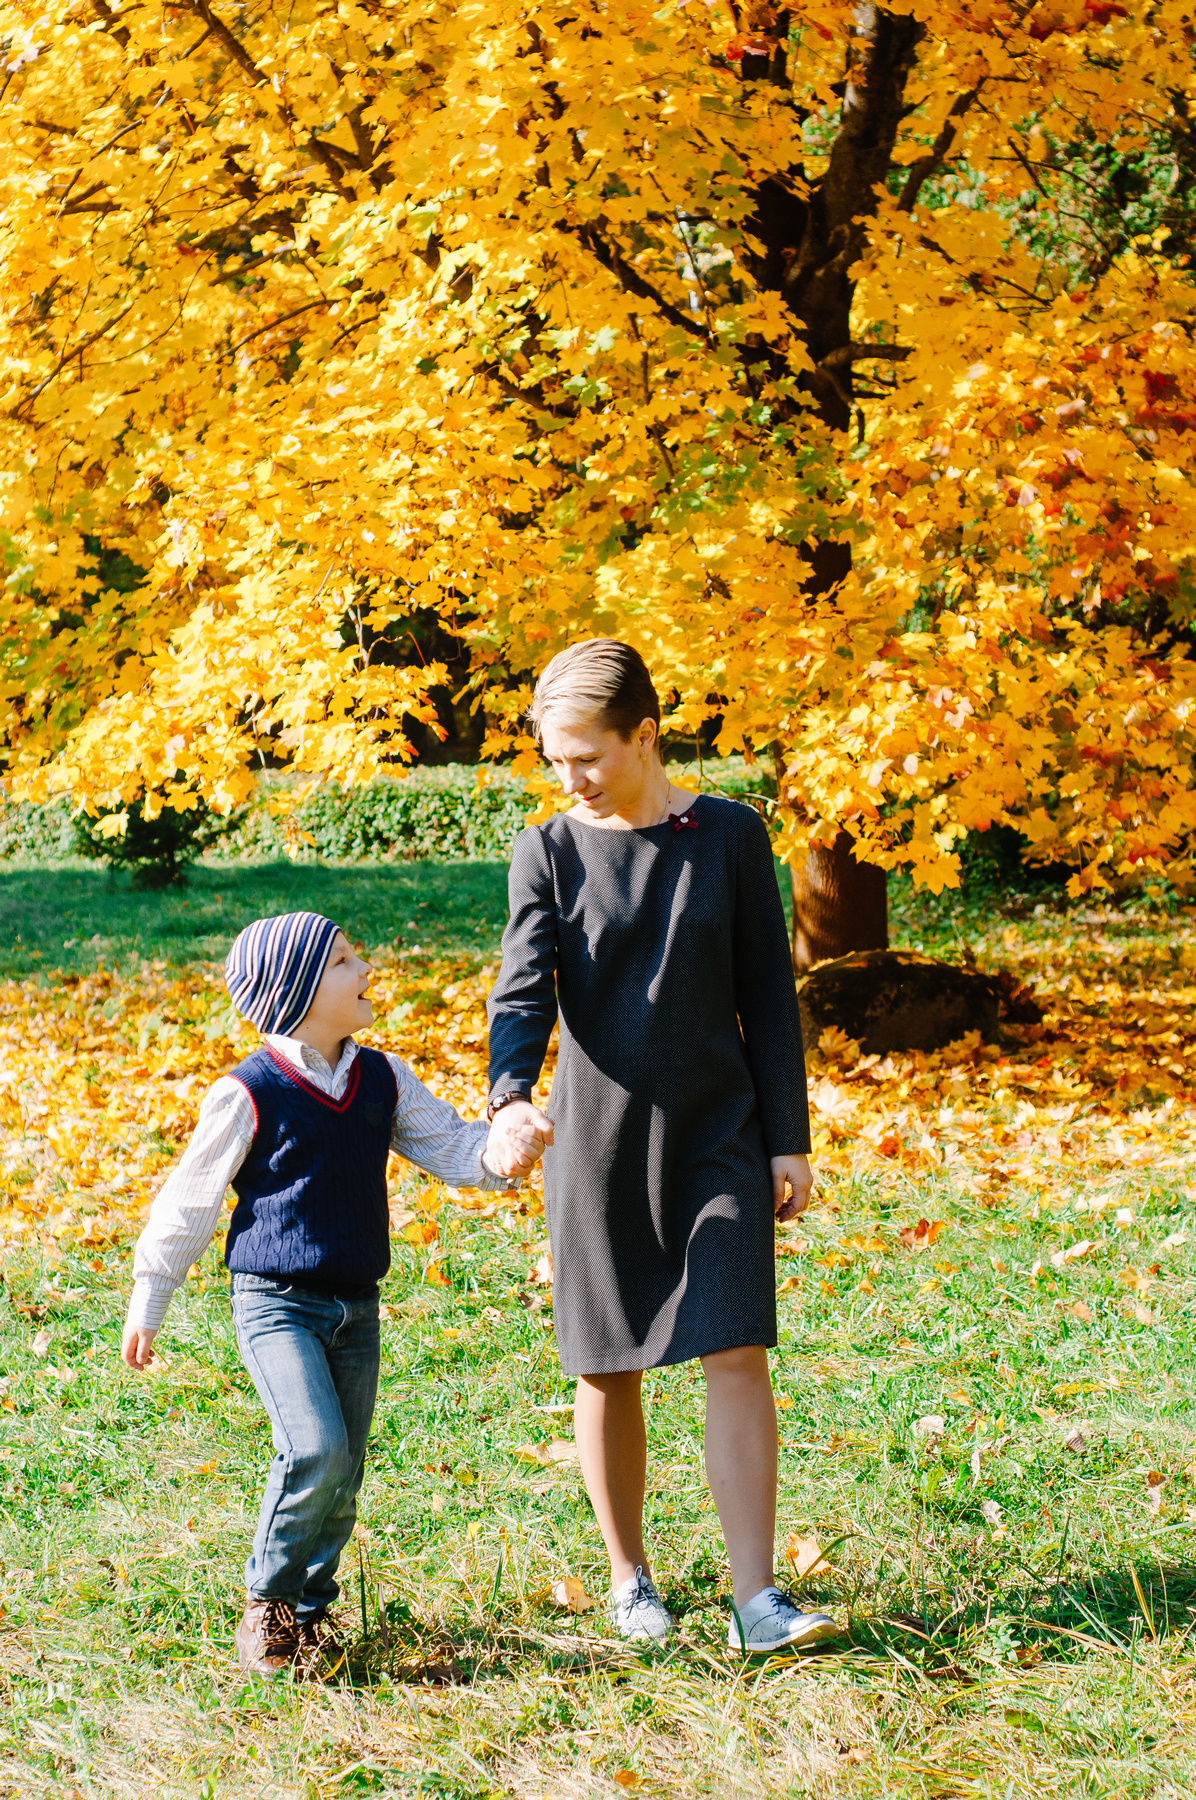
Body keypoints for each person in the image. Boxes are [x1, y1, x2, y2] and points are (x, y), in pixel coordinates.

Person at [486, 640, 839, 1654]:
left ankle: (757, 1599)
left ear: (644, 735)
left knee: (736, 1347)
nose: (570, 779)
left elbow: (766, 992)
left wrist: (787, 1139)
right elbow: (521, 992)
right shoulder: (548, 851)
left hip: (720, 1134)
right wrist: (509, 1096)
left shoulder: (729, 836)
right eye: (556, 761)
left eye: (587, 757)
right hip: (595, 1142)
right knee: (606, 1366)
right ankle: (629, 1580)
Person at [121, 911, 550, 1678]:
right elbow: (190, 1200)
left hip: (357, 1305)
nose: (366, 971)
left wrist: (502, 1150)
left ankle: (312, 1615)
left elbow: (451, 1146)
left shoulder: (381, 1077)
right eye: (346, 960)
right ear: (297, 992)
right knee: (314, 1446)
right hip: (276, 1301)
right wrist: (150, 1295)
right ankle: (269, 1603)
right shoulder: (249, 1091)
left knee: (343, 1471)